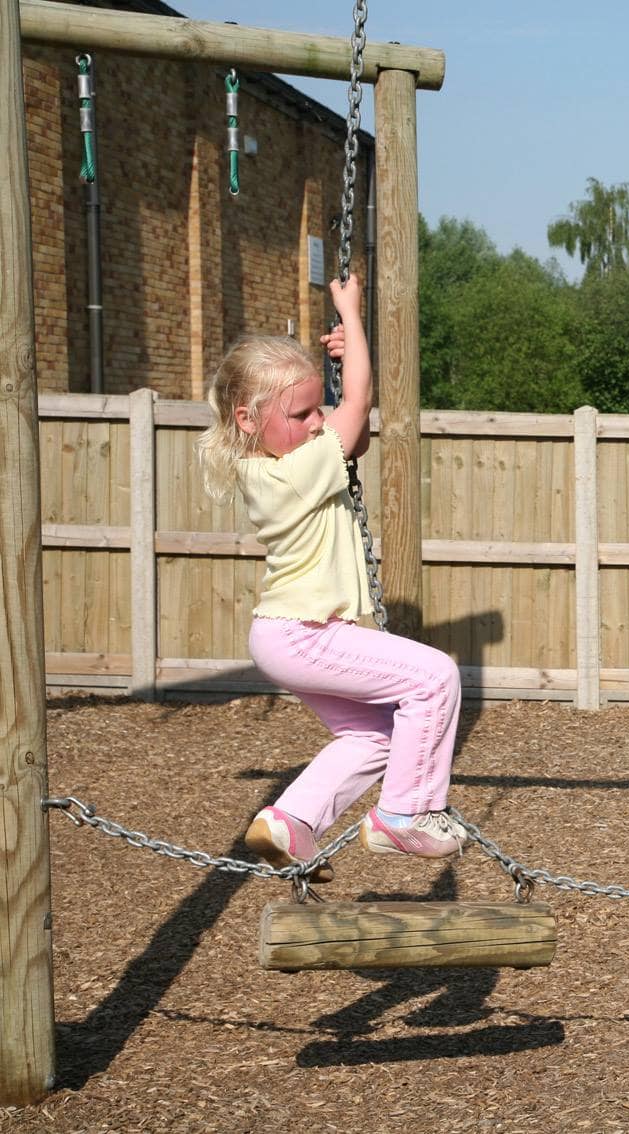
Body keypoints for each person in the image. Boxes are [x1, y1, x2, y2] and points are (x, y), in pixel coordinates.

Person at [196, 275, 467, 881]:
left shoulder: (284, 461)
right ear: (247, 418)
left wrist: (343, 367)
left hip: (288, 635)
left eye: (318, 407)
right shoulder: (291, 473)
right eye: (301, 412)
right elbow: (359, 408)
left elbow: (355, 434)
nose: (317, 421)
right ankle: (406, 814)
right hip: (307, 632)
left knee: (373, 737)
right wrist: (353, 316)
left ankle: (289, 822)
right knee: (434, 678)